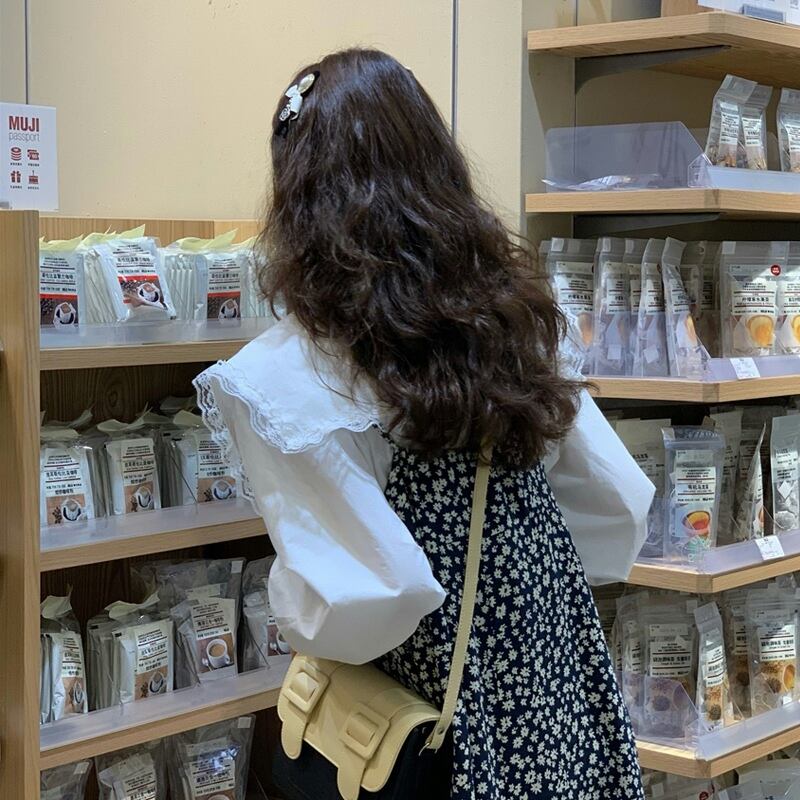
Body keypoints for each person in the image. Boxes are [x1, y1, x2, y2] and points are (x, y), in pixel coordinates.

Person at [195, 48, 653, 800]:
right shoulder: (514, 322)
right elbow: (619, 506)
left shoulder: (293, 373)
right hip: (554, 683)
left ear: (301, 196)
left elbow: (372, 596)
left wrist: (286, 606)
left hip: (431, 711)